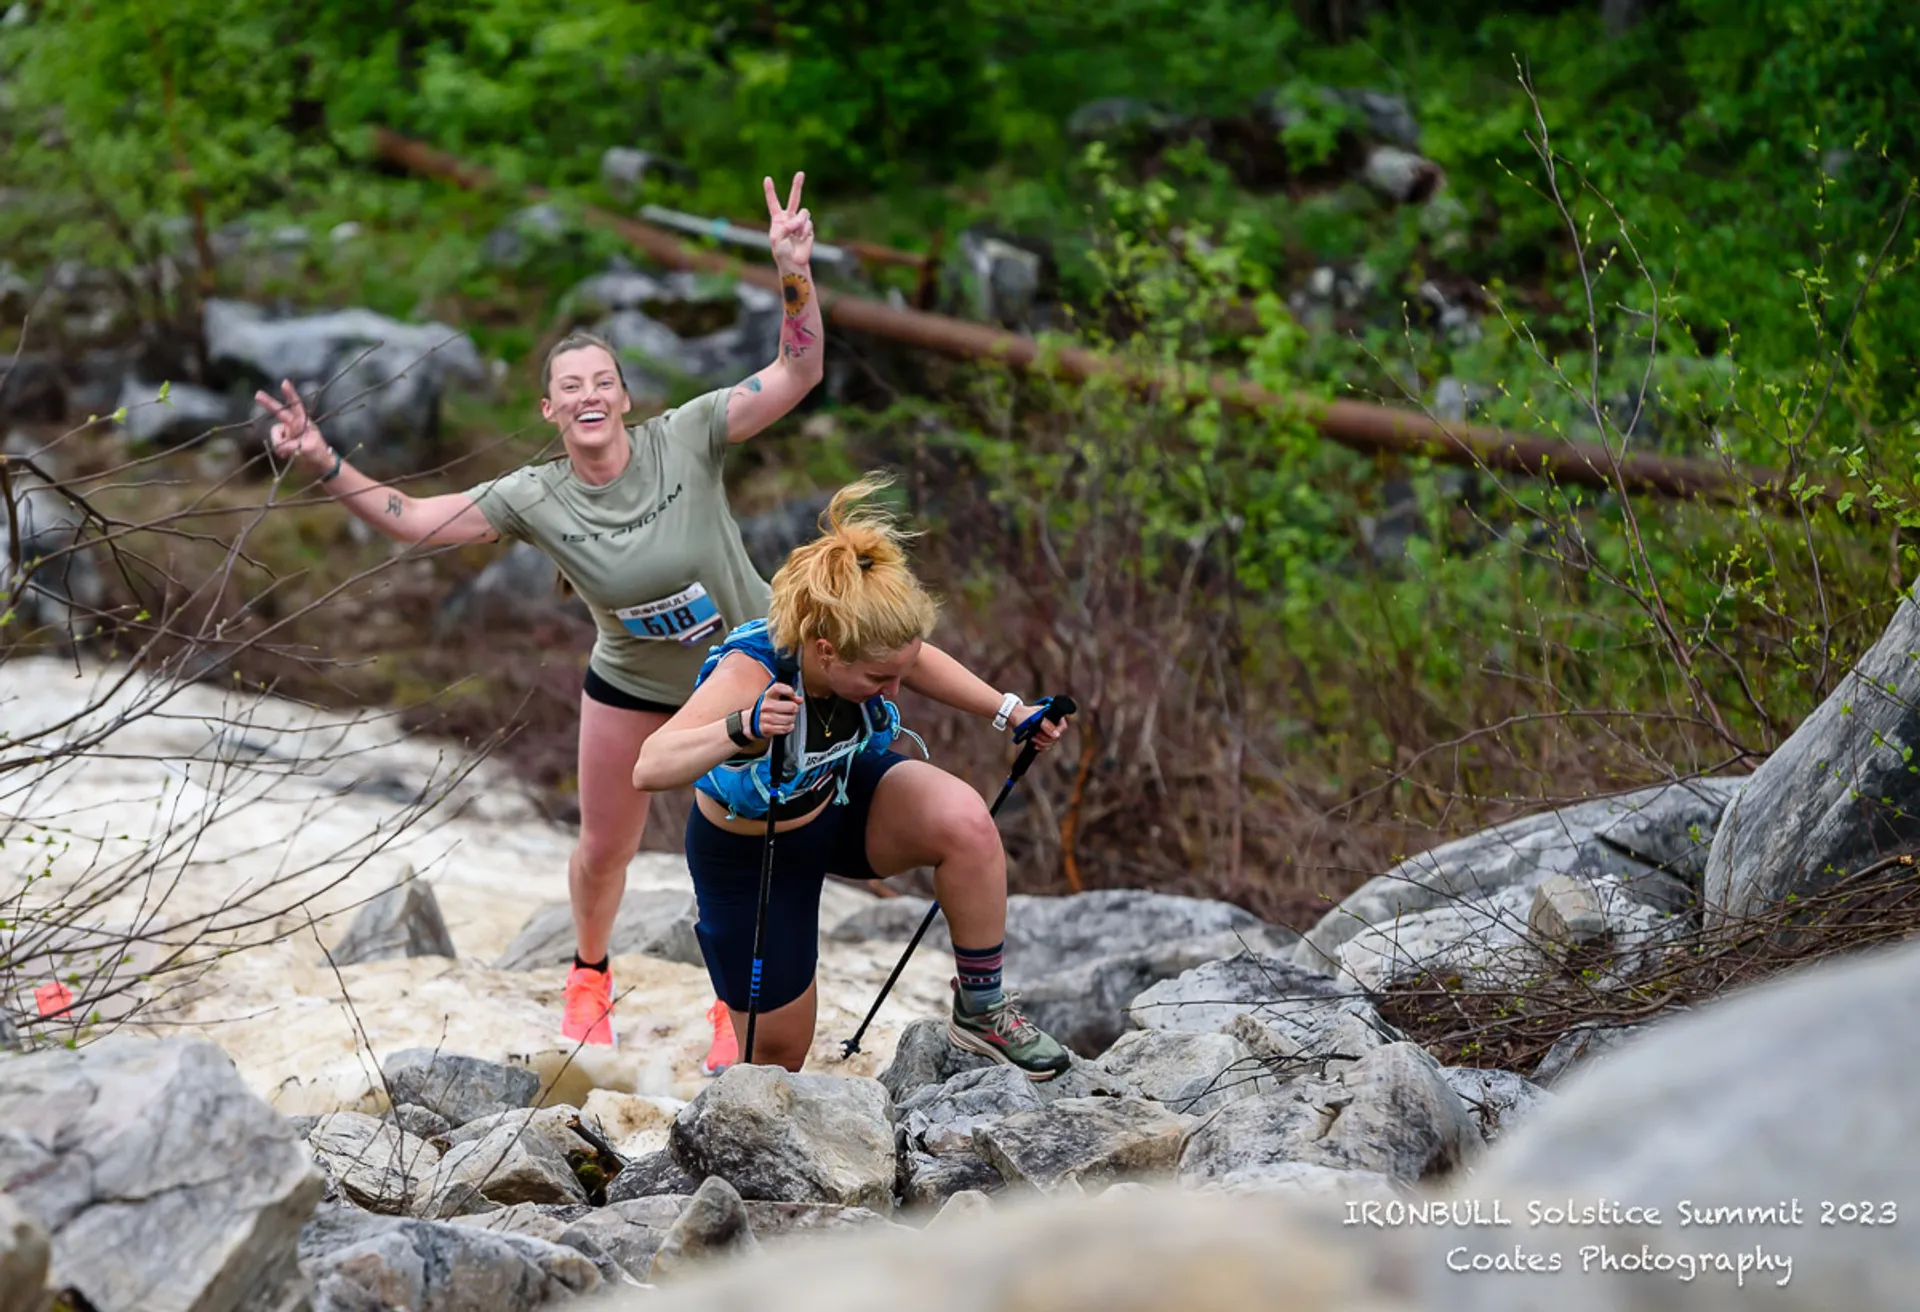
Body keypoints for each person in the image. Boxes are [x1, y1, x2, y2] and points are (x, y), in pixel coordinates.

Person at [255, 173, 829, 1066]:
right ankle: (588, 973)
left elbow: (800, 370)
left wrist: (793, 270)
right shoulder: (536, 494)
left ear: (625, 398)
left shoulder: (690, 434)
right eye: (571, 385)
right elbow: (415, 521)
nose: (590, 393)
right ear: (551, 410)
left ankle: (732, 1004)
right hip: (633, 683)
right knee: (607, 848)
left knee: (737, 843)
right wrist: (326, 463)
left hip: (745, 672)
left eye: (604, 379)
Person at [629, 473, 1077, 1079]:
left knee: (964, 820)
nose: (894, 690)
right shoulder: (751, 671)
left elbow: (912, 662)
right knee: (778, 1060)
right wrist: (743, 727)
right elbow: (650, 765)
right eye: (877, 681)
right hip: (750, 855)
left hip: (837, 801)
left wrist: (1010, 712)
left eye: (899, 671)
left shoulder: (869, 647)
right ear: (824, 650)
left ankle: (982, 1008)